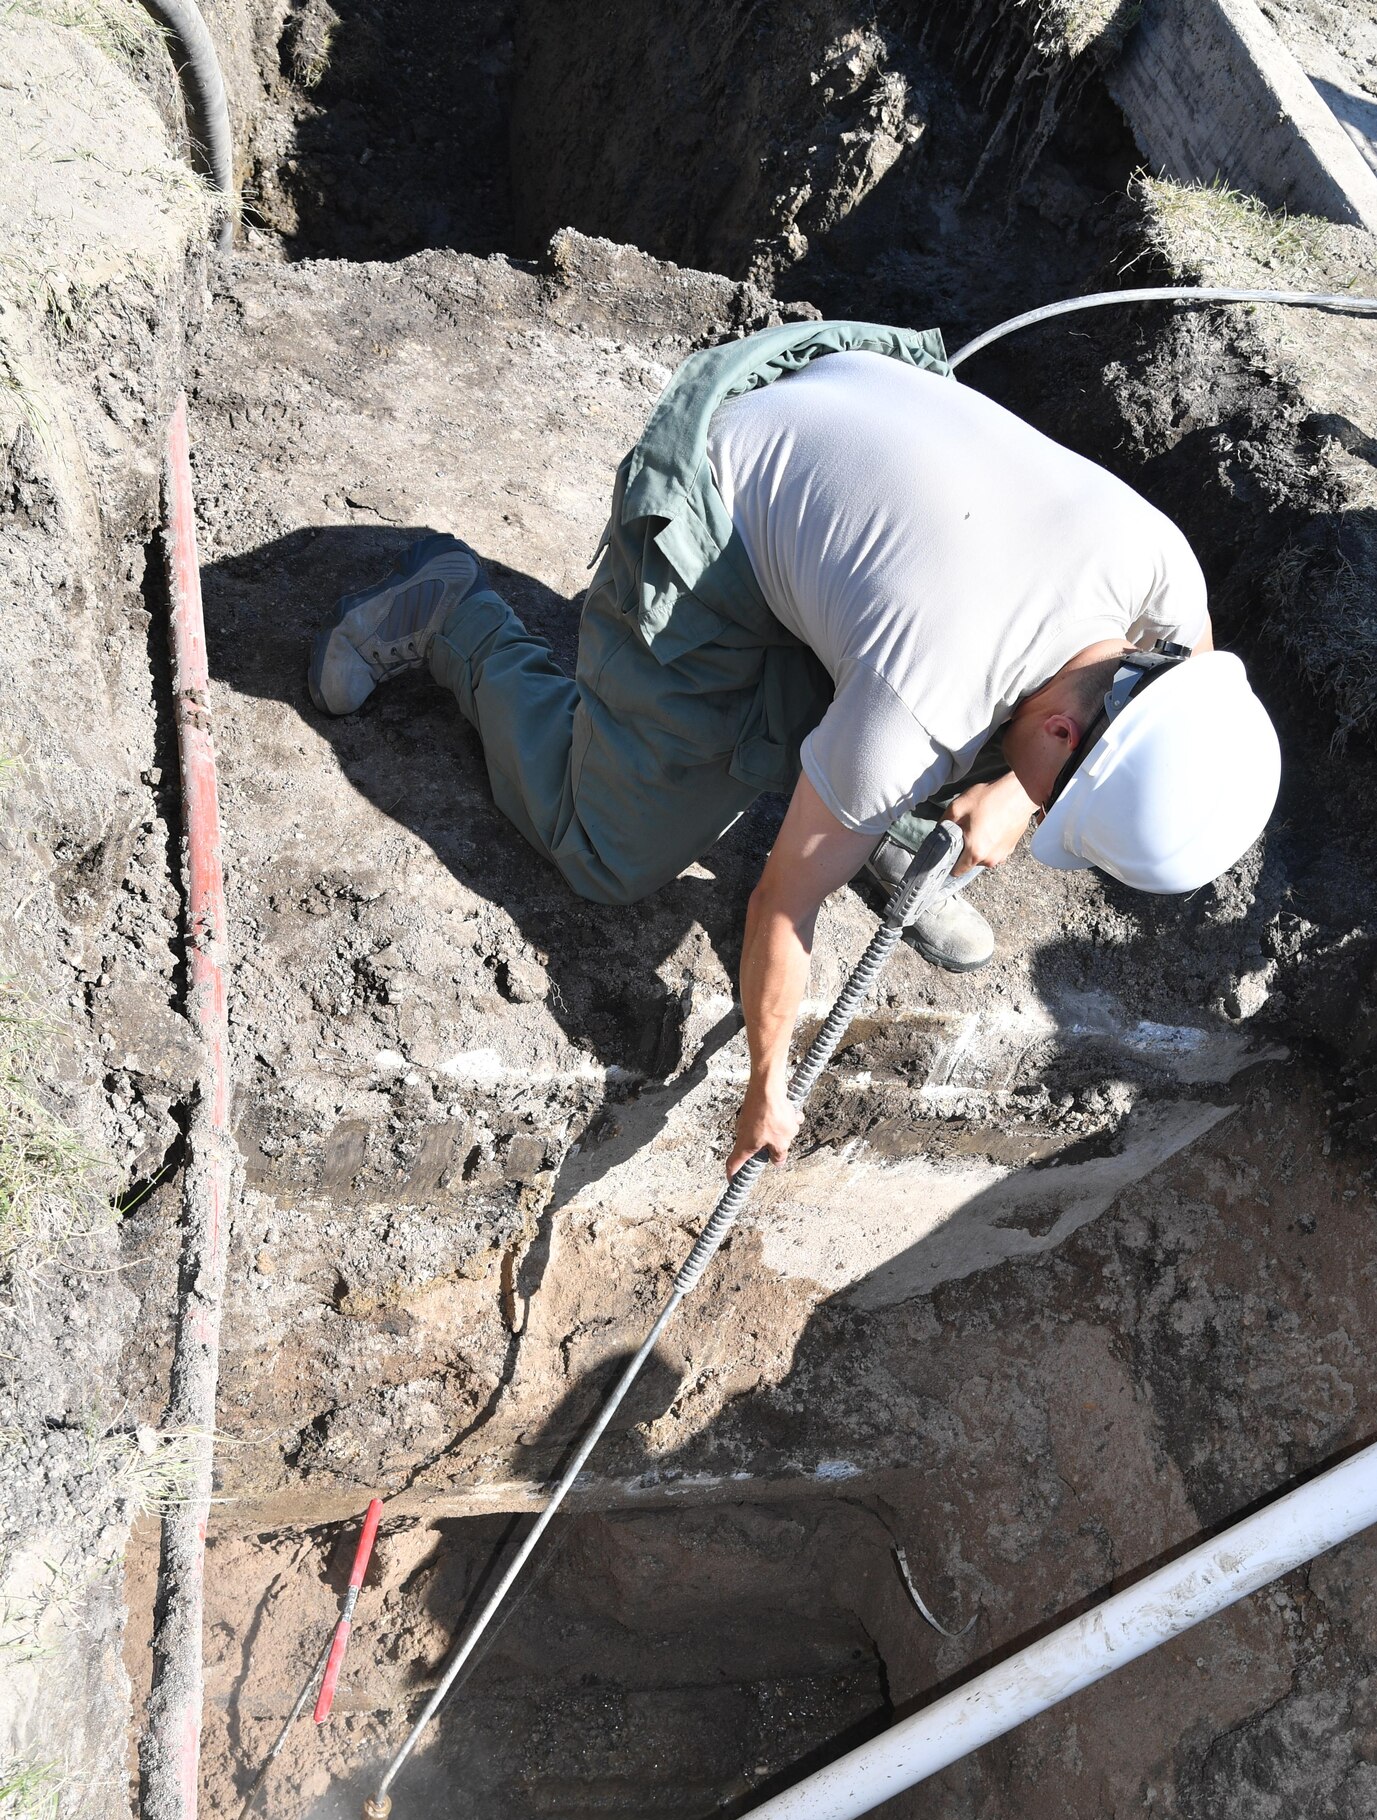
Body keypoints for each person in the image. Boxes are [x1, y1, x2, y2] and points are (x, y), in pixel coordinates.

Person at [310, 319, 1280, 1179]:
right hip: (726, 484)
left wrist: (1019, 793)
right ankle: (454, 617)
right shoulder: (923, 698)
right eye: (1055, 802)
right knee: (608, 848)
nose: (1038, 824)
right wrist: (767, 1085)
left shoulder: (1161, 581)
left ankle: (890, 820)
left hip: (866, 427)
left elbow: (1160, 675)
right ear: (1070, 729)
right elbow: (781, 903)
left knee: (946, 744)